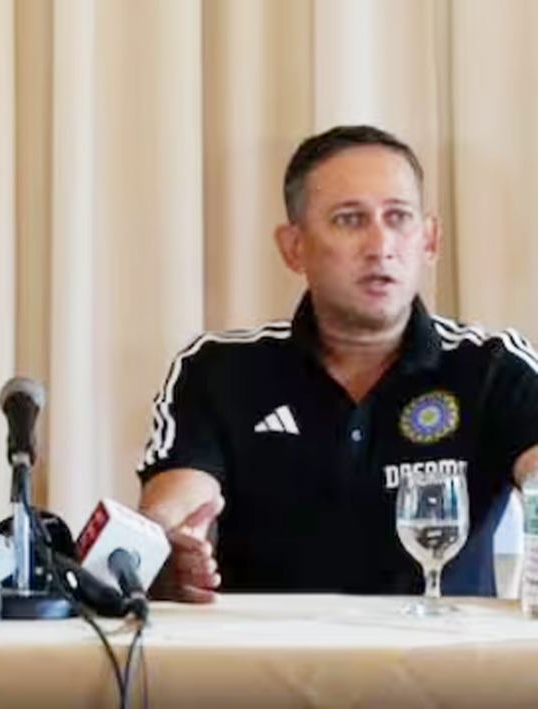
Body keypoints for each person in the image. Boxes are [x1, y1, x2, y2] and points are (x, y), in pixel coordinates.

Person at [137, 125, 538, 601]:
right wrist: (167, 548)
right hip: (263, 647)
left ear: (429, 241)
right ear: (294, 247)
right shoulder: (219, 367)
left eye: (398, 217)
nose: (380, 246)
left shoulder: (491, 365)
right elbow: (177, 506)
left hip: (445, 646)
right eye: (350, 220)